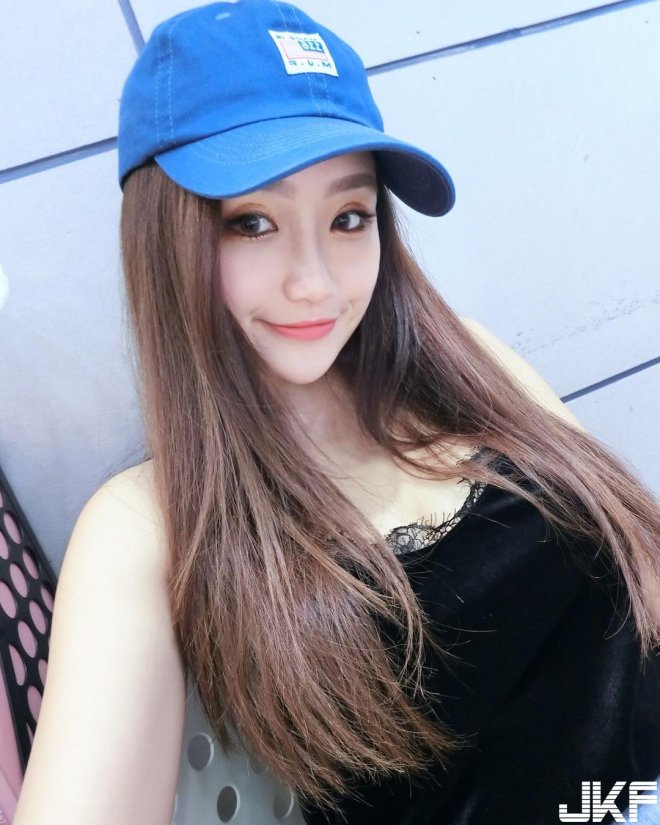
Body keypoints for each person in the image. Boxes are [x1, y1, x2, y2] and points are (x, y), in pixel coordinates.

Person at [12, 2, 660, 824]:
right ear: (166, 240)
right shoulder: (145, 528)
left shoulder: (473, 361)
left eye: (349, 216)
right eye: (253, 223)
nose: (315, 281)